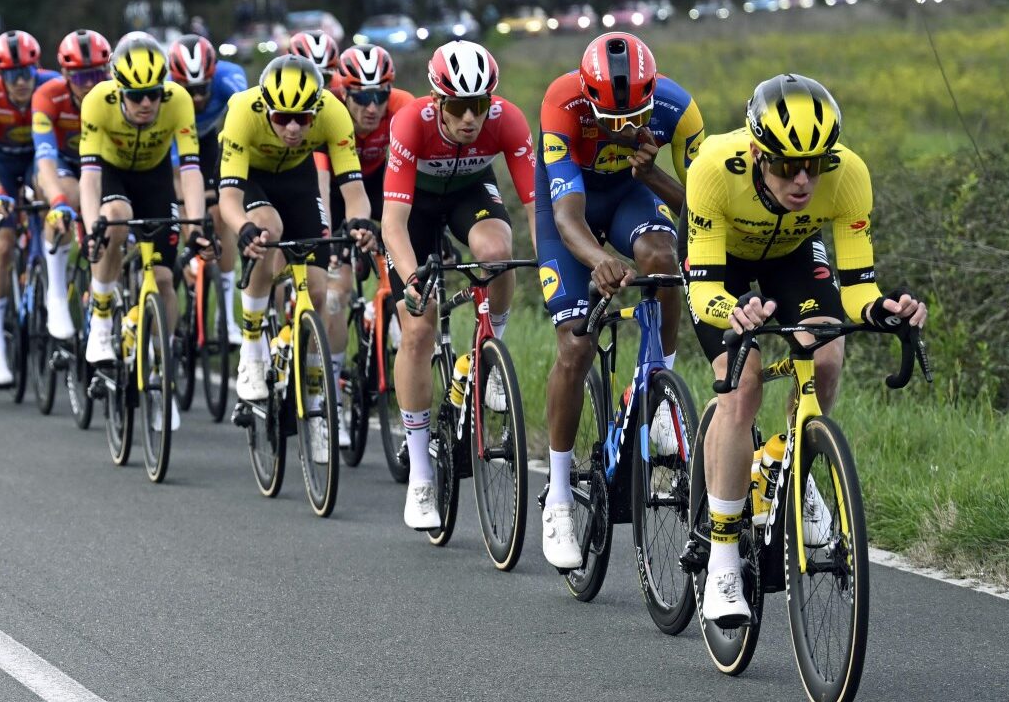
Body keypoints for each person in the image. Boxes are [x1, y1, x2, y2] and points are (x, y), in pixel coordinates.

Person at [686, 74, 925, 626]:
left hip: (792, 254)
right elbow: (704, 292)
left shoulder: (848, 174)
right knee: (742, 383)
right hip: (722, 263)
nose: (801, 180)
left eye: (813, 165)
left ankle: (793, 457)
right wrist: (734, 313)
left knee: (826, 349)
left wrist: (883, 309)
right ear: (755, 154)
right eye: (786, 166)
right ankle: (723, 556)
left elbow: (859, 285)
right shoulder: (714, 171)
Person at [534, 33, 705, 569]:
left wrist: (653, 174)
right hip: (571, 202)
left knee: (663, 258)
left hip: (632, 194)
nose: (618, 127)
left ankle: (657, 392)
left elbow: (705, 208)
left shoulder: (679, 109)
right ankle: (559, 495)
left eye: (631, 116)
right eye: (606, 118)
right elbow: (567, 217)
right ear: (588, 96)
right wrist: (597, 261)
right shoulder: (561, 102)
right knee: (575, 344)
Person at [378, 41, 535, 530]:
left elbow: (537, 207)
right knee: (420, 329)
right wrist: (410, 282)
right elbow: (393, 225)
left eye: (480, 106)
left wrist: (554, 265)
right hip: (415, 210)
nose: (471, 119)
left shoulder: (507, 120)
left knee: (497, 252)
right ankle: (421, 470)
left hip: (469, 191)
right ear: (436, 101)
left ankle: (491, 355)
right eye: (459, 107)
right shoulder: (410, 125)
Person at [216, 55, 379, 466]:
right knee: (265, 229)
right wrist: (243, 230)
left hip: (298, 180)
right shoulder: (242, 113)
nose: (292, 128)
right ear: (266, 108)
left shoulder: (334, 112)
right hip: (252, 178)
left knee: (320, 293)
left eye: (302, 120)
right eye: (282, 117)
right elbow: (229, 201)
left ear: (315, 111)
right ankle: (252, 345)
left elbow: (353, 188)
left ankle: (316, 403)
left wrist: (360, 221)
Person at [76, 34, 207, 400]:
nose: (147, 103)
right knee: (115, 219)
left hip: (156, 177)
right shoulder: (97, 102)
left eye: (153, 93)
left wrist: (195, 225)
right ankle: (102, 318)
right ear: (119, 91)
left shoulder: (177, 100)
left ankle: (161, 365)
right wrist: (91, 230)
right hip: (112, 172)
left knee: (165, 279)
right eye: (136, 96)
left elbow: (192, 169)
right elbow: (89, 176)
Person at [319, 41, 417, 447]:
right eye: (361, 97)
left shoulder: (403, 108)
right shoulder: (328, 111)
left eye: (380, 96)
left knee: (399, 260)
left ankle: (393, 328)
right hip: (337, 191)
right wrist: (329, 240)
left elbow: (416, 176)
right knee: (337, 292)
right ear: (345, 92)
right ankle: (332, 402)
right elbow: (322, 185)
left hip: (382, 188)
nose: (372, 107)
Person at [0, 31, 58, 386]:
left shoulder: (48, 86)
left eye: (27, 73)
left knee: (47, 203)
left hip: (38, 159)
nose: (21, 82)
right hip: (0, 165)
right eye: (11, 75)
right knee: (2, 244)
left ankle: (43, 277)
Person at [167, 33, 250, 344]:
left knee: (220, 214)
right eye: (188, 90)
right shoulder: (163, 89)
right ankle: (187, 262)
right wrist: (189, 208)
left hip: (209, 142)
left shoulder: (230, 78)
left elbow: (244, 115)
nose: (198, 97)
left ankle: (226, 316)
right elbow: (178, 172)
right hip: (172, 141)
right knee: (187, 212)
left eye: (203, 89)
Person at [31, 30, 110, 340]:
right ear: (65, 75)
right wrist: (58, 201)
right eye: (80, 78)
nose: (89, 84)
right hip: (63, 162)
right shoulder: (48, 96)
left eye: (95, 74)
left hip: (101, 162)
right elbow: (45, 157)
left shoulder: (114, 96)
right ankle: (57, 293)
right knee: (67, 197)